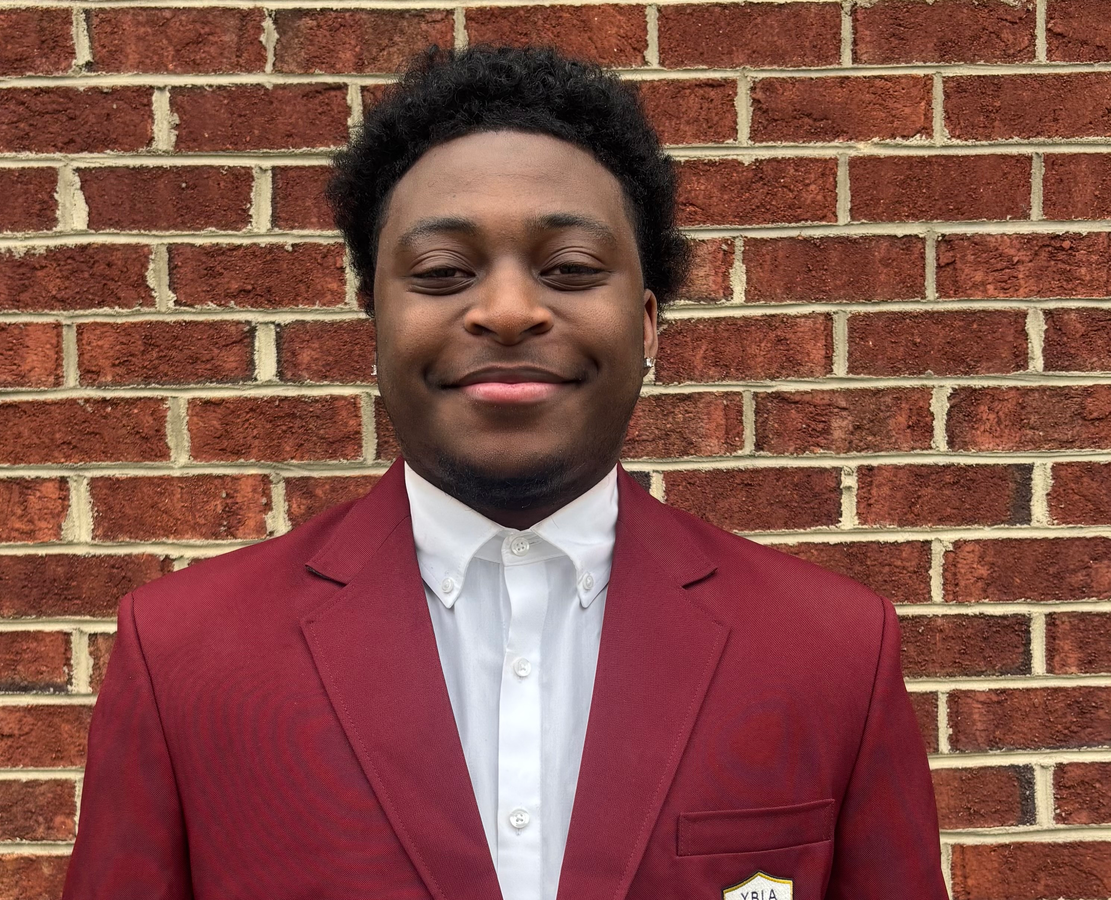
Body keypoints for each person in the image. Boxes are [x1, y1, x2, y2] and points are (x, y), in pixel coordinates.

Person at [63, 46, 948, 900]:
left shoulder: (832, 650)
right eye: (445, 272)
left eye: (570, 269)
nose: (511, 310)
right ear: (374, 321)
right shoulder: (182, 655)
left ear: (647, 322)